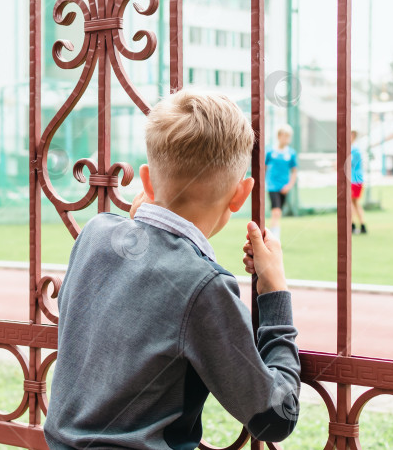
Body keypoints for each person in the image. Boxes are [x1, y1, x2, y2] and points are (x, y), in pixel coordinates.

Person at [44, 90, 300, 448]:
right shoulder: (204, 286)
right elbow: (276, 418)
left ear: (146, 181)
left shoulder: (95, 233)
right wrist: (274, 293)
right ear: (241, 194)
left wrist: (140, 232)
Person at [265, 124, 298, 240]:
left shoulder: (291, 153)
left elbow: (294, 171)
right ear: (279, 136)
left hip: (284, 187)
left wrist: (289, 186)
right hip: (272, 186)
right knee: (276, 212)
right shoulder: (270, 152)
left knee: (278, 214)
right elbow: (264, 167)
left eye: (289, 136)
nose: (287, 139)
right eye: (285, 136)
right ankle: (274, 239)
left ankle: (270, 236)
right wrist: (265, 181)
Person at [351, 130, 367, 234]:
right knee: (355, 203)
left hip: (354, 180)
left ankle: (352, 225)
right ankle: (362, 225)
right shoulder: (353, 149)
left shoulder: (354, 150)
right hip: (355, 180)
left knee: (350, 203)